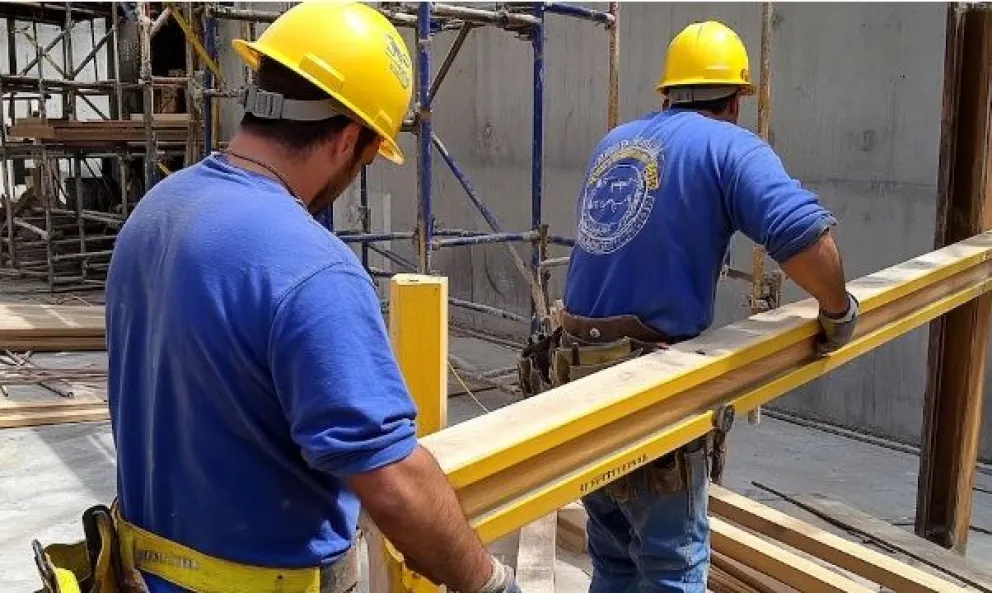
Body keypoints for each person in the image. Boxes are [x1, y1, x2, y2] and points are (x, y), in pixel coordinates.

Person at [102, 2, 518, 592]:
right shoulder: (311, 267)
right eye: (368, 156)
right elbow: (391, 483)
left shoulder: (156, 211)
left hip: (141, 575)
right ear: (348, 138)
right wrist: (489, 582)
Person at [517, 20, 858, 593]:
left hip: (575, 382)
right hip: (646, 389)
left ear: (668, 94)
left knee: (615, 561)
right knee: (671, 569)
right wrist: (838, 311)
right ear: (735, 101)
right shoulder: (728, 146)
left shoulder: (614, 143)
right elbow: (805, 239)